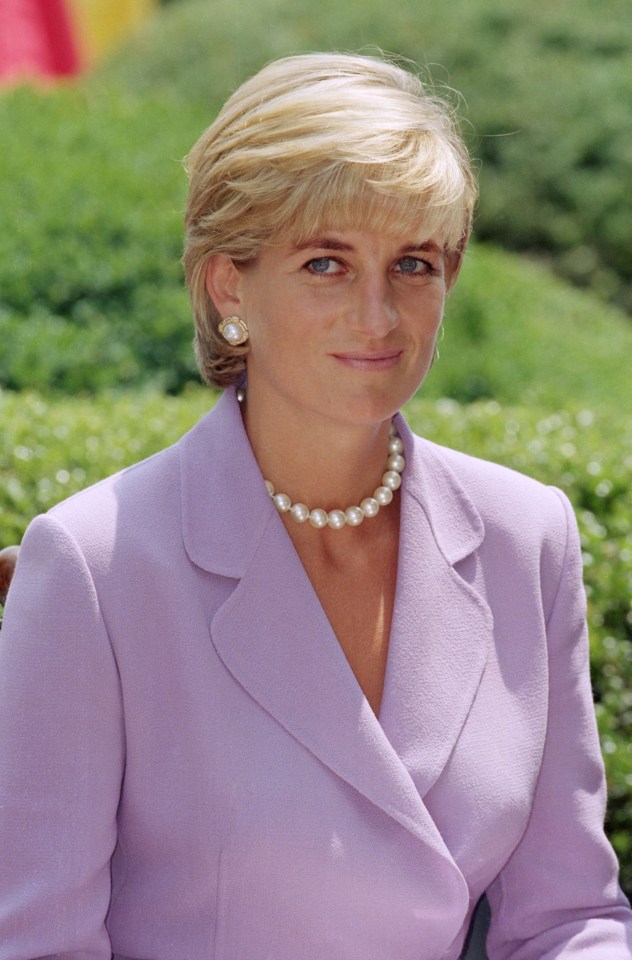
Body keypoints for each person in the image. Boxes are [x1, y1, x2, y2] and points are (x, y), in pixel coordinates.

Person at [0, 52, 630, 960]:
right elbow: (39, 944)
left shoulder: (526, 536)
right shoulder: (94, 566)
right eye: (326, 263)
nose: (378, 316)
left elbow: (570, 920)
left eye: (412, 263)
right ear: (229, 287)